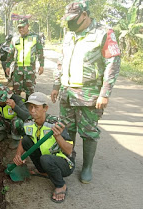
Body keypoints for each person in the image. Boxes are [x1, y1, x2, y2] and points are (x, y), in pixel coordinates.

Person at [51, 0, 121, 184]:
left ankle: (87, 166)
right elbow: (61, 60)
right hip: (67, 93)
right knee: (67, 128)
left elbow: (112, 63)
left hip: (89, 94)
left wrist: (105, 92)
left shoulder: (103, 33)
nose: (70, 23)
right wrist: (56, 85)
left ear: (85, 15)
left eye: (74, 19)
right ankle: (69, 159)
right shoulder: (69, 35)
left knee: (89, 132)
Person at [13, 92, 75, 203]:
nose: (32, 110)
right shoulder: (28, 122)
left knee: (45, 159)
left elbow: (69, 150)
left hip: (65, 162)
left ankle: (61, 185)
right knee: (27, 140)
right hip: (45, 157)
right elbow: (23, 139)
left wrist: (58, 136)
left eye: (36, 107)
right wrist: (18, 155)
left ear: (45, 108)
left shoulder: (56, 124)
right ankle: (43, 170)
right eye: (30, 107)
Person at [5, 18, 45, 99]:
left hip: (30, 69)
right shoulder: (15, 39)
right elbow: (11, 54)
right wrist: (8, 66)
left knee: (30, 92)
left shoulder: (35, 37)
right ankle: (17, 110)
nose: (21, 29)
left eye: (23, 27)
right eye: (19, 27)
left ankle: (29, 110)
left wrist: (41, 65)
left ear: (28, 26)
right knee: (16, 92)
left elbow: (40, 52)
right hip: (17, 69)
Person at [0, 84, 30, 149]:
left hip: (17, 125)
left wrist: (15, 107)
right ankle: (2, 133)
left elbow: (27, 117)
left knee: (17, 121)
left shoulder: (18, 101)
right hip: (7, 123)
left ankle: (16, 139)